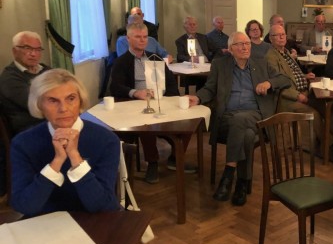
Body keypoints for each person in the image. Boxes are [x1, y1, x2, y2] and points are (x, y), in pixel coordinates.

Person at [189, 32, 290, 206]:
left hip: (256, 114)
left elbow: (284, 79)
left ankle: (228, 174)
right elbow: (210, 88)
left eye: (247, 43)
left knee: (240, 120)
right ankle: (242, 183)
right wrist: (197, 98)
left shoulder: (261, 63)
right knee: (247, 135)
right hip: (227, 118)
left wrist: (269, 83)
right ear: (230, 49)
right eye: (240, 44)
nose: (245, 47)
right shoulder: (220, 65)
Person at [10, 69, 121, 217]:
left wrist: (75, 157)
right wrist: (56, 162)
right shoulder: (23, 143)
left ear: (80, 101)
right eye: (53, 100)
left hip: (92, 220)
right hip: (44, 222)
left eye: (71, 98)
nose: (63, 109)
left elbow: (103, 206)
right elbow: (25, 205)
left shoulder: (106, 140)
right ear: (39, 105)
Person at [110, 22, 195, 184]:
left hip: (162, 101)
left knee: (189, 121)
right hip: (137, 105)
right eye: (138, 37)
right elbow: (116, 87)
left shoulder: (155, 58)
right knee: (146, 124)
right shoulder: (121, 62)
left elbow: (171, 83)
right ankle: (152, 162)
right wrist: (136, 92)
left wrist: (173, 100)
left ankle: (174, 158)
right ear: (128, 38)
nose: (143, 40)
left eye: (145, 37)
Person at [0, 31, 51, 135]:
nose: (33, 54)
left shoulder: (45, 69)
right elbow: (36, 104)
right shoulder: (9, 78)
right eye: (27, 48)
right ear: (15, 51)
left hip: (52, 120)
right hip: (30, 129)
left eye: (38, 49)